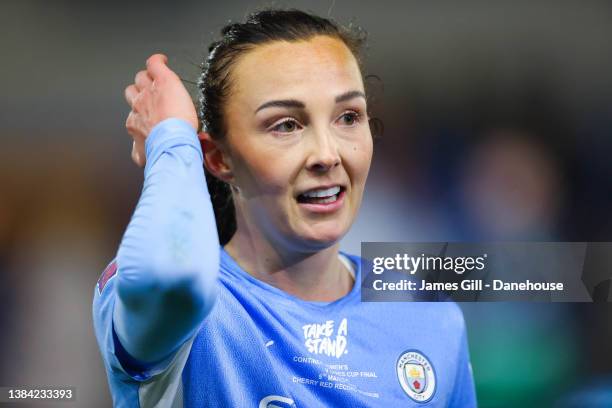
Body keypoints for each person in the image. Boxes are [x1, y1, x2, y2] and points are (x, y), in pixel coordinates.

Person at [93, 9, 476, 407]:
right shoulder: (191, 314)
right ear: (218, 158)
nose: (327, 155)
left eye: (348, 117)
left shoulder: (427, 315)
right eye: (286, 125)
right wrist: (171, 139)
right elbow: (170, 281)